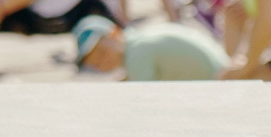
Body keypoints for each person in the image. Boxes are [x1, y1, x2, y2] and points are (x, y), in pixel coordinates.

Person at [73, 15, 228, 81]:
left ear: (115, 33)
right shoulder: (140, 39)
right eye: (95, 65)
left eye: (102, 53)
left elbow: (144, 100)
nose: (102, 62)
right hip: (221, 69)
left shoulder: (137, 55)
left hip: (218, 82)